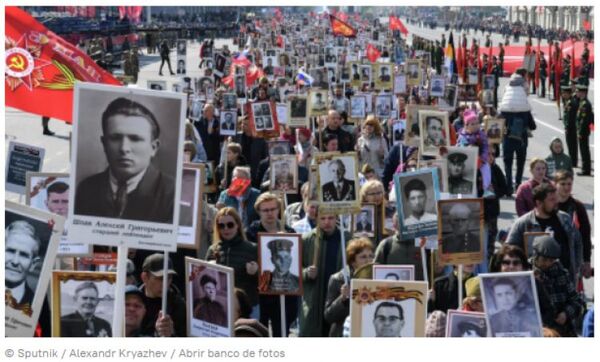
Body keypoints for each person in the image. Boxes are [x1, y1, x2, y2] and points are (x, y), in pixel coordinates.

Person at [74, 98, 175, 223]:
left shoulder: (171, 193)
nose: (124, 148)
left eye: (135, 139)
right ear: (104, 144)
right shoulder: (87, 189)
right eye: (115, 138)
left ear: (153, 148)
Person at [507, 183, 582, 282]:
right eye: (551, 200)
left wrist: (576, 267)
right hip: (537, 283)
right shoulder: (523, 224)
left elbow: (577, 242)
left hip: (564, 282)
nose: (556, 202)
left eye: (556, 198)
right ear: (538, 203)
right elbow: (509, 251)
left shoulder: (565, 219)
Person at [300, 211, 351, 336]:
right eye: (322, 218)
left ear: (336, 218)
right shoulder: (307, 240)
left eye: (330, 218)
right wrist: (306, 273)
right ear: (316, 219)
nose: (327, 222)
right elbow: (294, 270)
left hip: (338, 296)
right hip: (314, 298)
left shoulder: (347, 239)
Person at [206, 208, 259, 318]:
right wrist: (208, 270)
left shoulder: (252, 248)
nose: (226, 229)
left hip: (247, 306)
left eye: (230, 225)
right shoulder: (212, 249)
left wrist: (256, 271)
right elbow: (203, 279)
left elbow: (267, 280)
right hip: (220, 305)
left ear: (237, 225)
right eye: (221, 225)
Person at [530, 235, 584, 336]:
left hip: (562, 330)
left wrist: (566, 313)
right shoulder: (527, 274)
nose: (547, 263)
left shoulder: (561, 274)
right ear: (536, 255)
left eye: (551, 261)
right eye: (544, 259)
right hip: (535, 329)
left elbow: (577, 301)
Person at [324, 238, 374, 337]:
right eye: (363, 257)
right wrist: (342, 298)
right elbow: (328, 316)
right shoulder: (338, 279)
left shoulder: (376, 278)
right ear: (352, 261)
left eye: (370, 256)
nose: (368, 260)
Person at [554, 171, 592, 278]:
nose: (566, 187)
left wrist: (587, 261)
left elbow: (585, 235)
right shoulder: (549, 205)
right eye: (562, 184)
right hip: (552, 257)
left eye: (569, 184)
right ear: (555, 184)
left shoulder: (578, 207)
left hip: (574, 258)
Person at [138, 253, 185, 337]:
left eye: (169, 277)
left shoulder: (178, 305)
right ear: (144, 277)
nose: (165, 283)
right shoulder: (132, 301)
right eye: (160, 278)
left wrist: (171, 334)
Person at [5, 221, 41, 310]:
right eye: (10, 251)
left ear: (33, 264)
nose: (15, 261)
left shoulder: (37, 306)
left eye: (24, 255)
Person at [575, 83, 593, 176]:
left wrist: (580, 132)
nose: (576, 93)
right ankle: (585, 168)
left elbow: (584, 120)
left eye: (578, 91)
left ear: (583, 93)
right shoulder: (582, 102)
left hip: (584, 131)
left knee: (584, 150)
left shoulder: (585, 104)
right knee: (583, 150)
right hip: (582, 131)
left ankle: (586, 170)